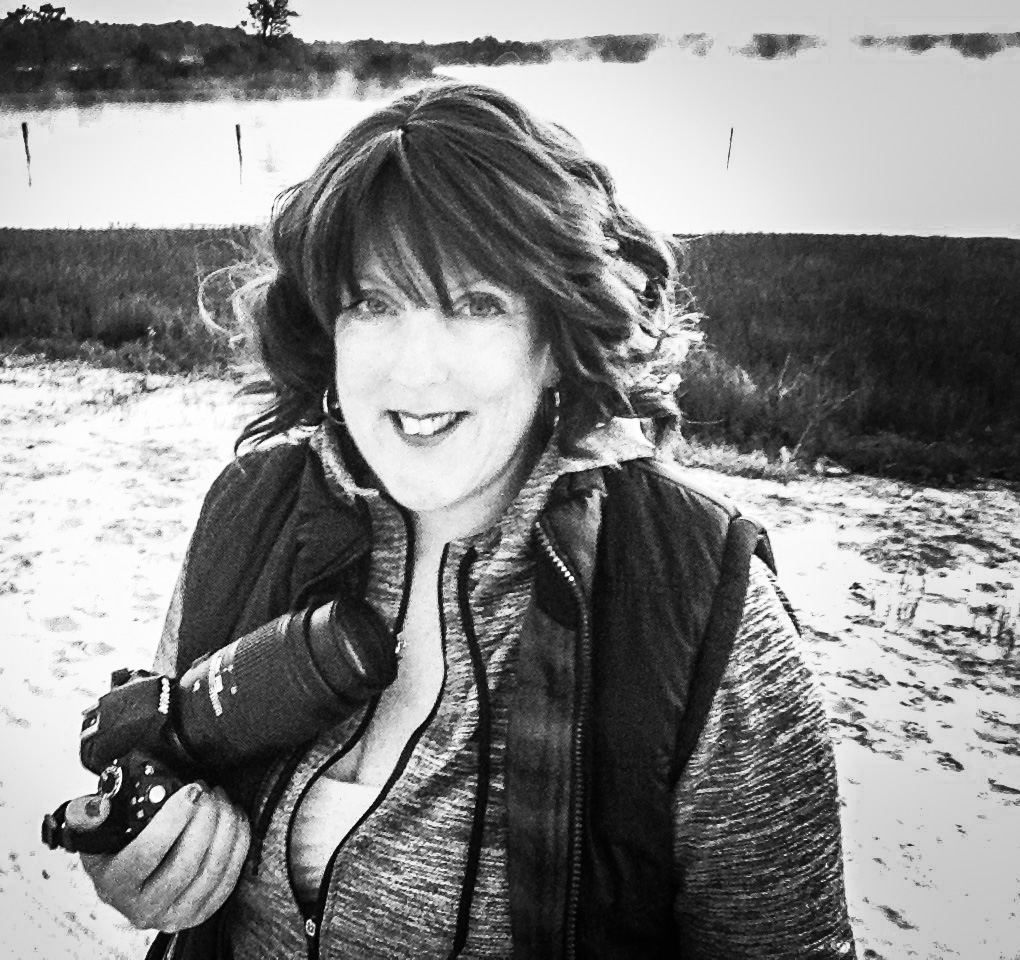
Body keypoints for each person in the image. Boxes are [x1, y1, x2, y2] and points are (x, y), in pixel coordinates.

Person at [77, 80, 856, 959]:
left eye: (477, 304)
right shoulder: (251, 509)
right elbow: (157, 753)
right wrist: (135, 856)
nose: (415, 371)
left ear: (558, 335)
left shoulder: (696, 600)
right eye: (373, 303)